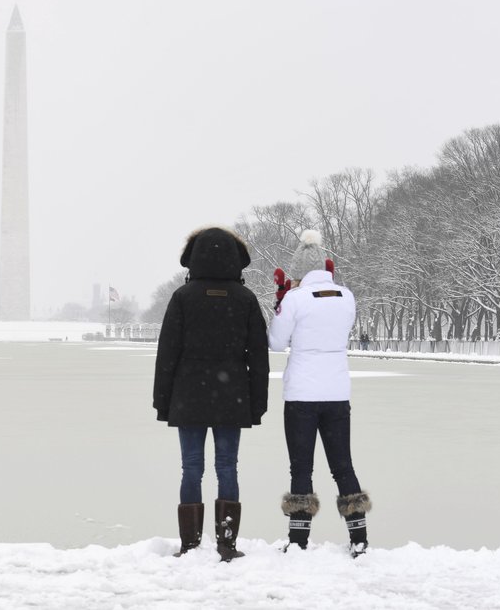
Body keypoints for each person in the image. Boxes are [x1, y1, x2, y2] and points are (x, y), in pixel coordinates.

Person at [153, 227, 270, 561]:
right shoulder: (245, 299)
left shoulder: (182, 297)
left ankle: (190, 544)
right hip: (231, 395)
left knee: (191, 468)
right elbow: (258, 358)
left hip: (188, 395)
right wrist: (256, 404)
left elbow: (167, 354)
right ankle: (227, 543)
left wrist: (163, 401)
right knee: (228, 468)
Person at [268, 230, 371, 557]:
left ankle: (298, 541)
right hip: (337, 391)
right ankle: (359, 538)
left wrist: (280, 303)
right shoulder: (347, 296)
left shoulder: (295, 300)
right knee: (343, 466)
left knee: (301, 467)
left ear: (298, 271)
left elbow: (275, 342)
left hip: (301, 394)